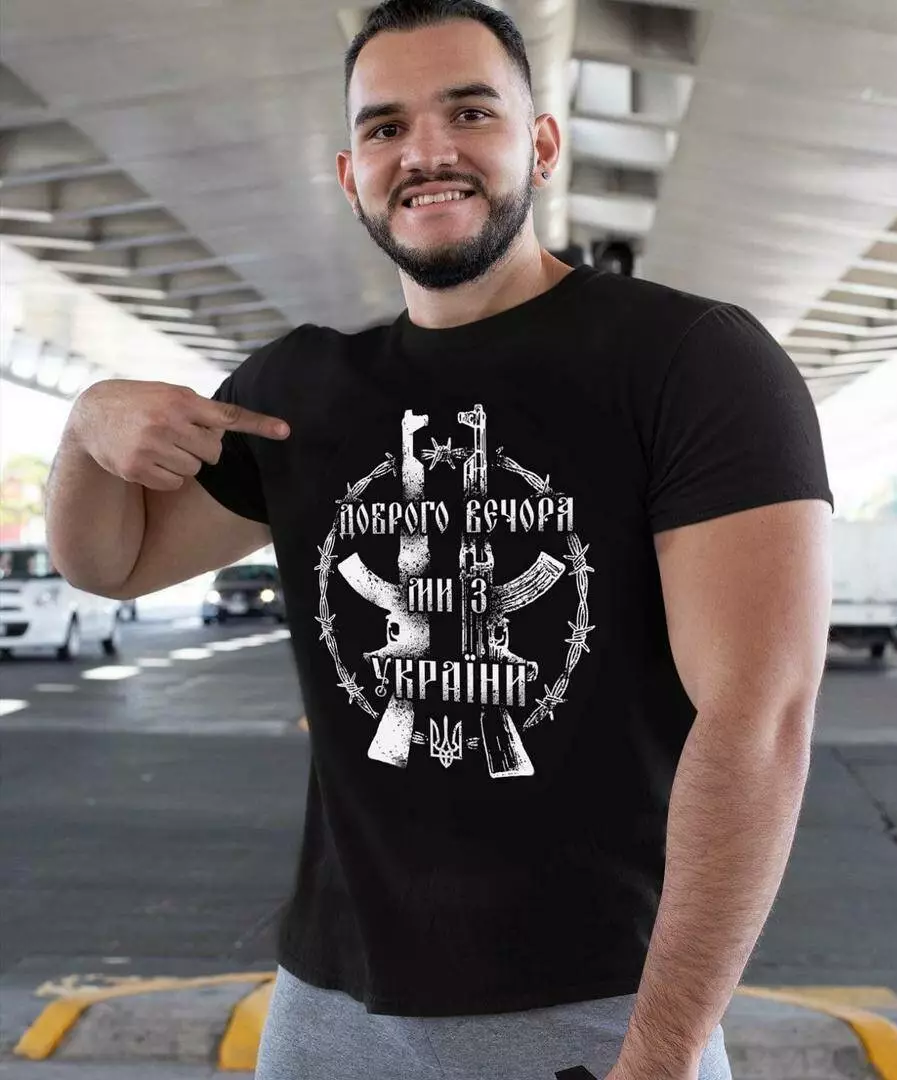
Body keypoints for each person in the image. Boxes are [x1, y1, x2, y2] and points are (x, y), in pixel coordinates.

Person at [44, 0, 834, 1077]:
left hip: (599, 1009)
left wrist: (661, 1052)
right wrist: (86, 423)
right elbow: (110, 562)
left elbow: (759, 720)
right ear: (350, 174)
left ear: (541, 144)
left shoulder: (690, 361)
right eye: (385, 127)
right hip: (325, 1009)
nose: (425, 152)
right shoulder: (300, 393)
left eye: (469, 111)